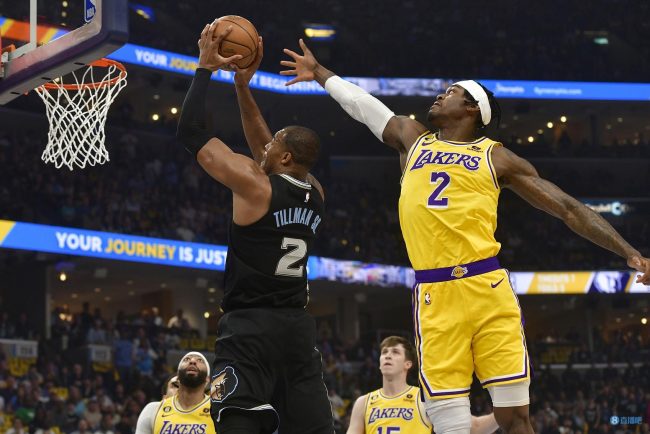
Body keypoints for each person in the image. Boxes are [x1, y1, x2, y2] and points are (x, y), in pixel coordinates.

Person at [280, 39, 650, 434]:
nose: (441, 95)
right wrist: (319, 73)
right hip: (435, 295)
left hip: (487, 288)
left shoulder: (497, 156)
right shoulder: (413, 139)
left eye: (451, 92)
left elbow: (567, 208)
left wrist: (630, 252)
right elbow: (363, 106)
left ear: (473, 108)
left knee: (514, 417)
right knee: (450, 424)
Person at [176, 23, 332, 434]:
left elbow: (190, 131)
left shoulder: (255, 185)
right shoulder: (316, 191)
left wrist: (204, 68)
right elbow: (267, 146)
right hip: (297, 331)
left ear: (284, 158)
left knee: (239, 425)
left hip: (249, 328)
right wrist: (242, 86)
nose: (265, 145)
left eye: (274, 143)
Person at [347, 336, 499, 434]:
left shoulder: (424, 398)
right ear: (379, 363)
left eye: (395, 352)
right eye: (384, 352)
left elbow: (474, 426)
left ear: (408, 364)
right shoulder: (364, 403)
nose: (387, 355)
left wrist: (505, 410)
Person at [151, 352, 213, 434]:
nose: (192, 361)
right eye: (186, 359)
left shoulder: (219, 410)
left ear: (207, 379)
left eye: (200, 360)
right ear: (178, 376)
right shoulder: (153, 410)